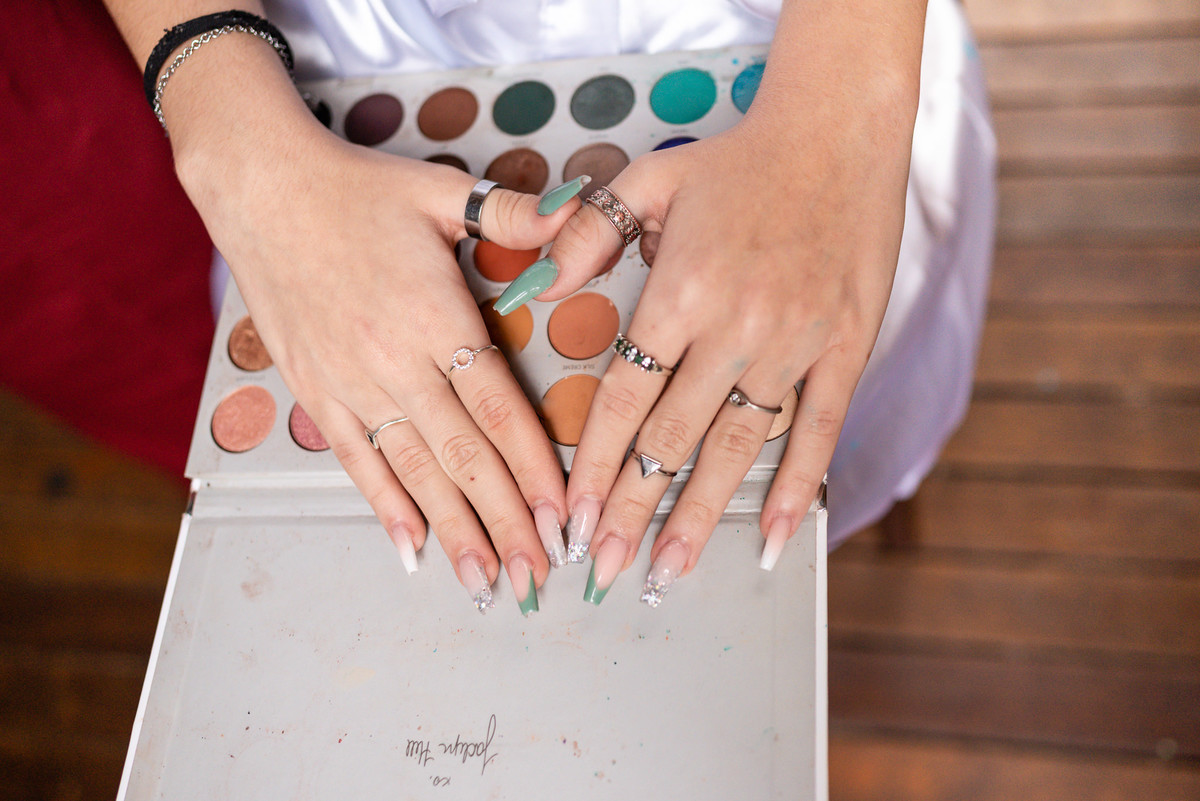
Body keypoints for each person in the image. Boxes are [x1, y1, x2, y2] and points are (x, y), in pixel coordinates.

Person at [101, 0, 995, 614]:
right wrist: (238, 147)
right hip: (328, 123)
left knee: (786, 421)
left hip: (791, 49)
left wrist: (838, 118)